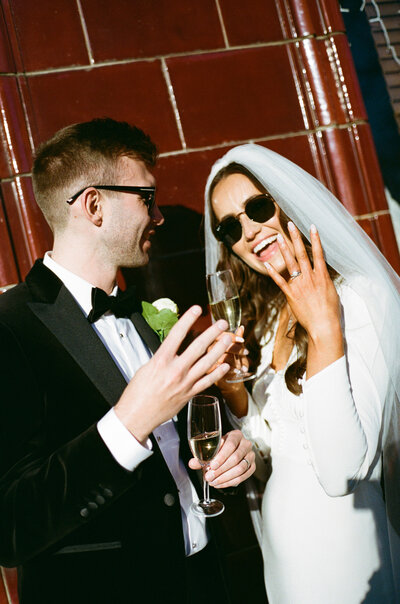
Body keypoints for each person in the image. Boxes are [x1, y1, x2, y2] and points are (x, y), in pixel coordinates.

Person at [0, 118, 257, 604]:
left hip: (206, 582)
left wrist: (229, 455)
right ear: (94, 205)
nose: (157, 216)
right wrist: (128, 424)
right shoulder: (10, 328)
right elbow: (11, 527)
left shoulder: (146, 314)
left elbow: (186, 449)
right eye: (146, 198)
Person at [204, 143, 400, 604]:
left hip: (346, 555)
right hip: (285, 557)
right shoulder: (269, 317)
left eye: (257, 208)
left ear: (287, 202)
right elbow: (270, 454)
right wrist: (233, 390)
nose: (249, 231)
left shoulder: (358, 298)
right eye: (230, 227)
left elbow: (343, 471)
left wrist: (324, 329)